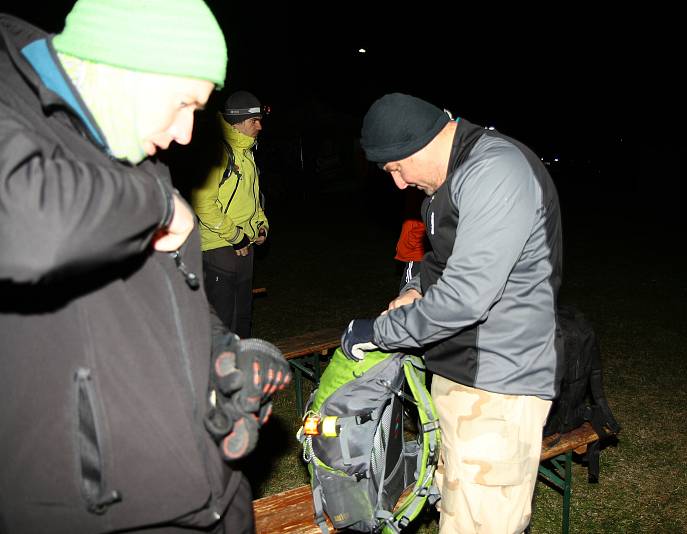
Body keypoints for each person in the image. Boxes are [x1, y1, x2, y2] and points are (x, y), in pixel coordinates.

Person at [0, 1, 289, 532]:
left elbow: (158, 299)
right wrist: (158, 202)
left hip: (209, 497)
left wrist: (224, 356)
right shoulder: (17, 115)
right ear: (121, 65)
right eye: (183, 103)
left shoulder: (128, 154)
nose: (184, 134)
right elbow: (28, 228)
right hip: (103, 512)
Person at [341, 93, 563, 534]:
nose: (399, 184)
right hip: (464, 373)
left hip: (499, 386)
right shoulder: (452, 177)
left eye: (396, 169)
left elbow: (465, 297)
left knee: (481, 523)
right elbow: (441, 262)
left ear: (420, 144)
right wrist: (414, 288)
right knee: (456, 510)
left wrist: (381, 331)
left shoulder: (495, 171)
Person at [191, 90, 269, 338]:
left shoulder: (246, 153)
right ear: (238, 122)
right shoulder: (220, 151)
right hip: (219, 247)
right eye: (253, 121)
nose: (259, 126)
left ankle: (242, 371)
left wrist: (260, 226)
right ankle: (218, 375)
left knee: (243, 316)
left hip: (245, 245)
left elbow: (254, 200)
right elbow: (203, 203)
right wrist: (235, 235)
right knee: (223, 321)